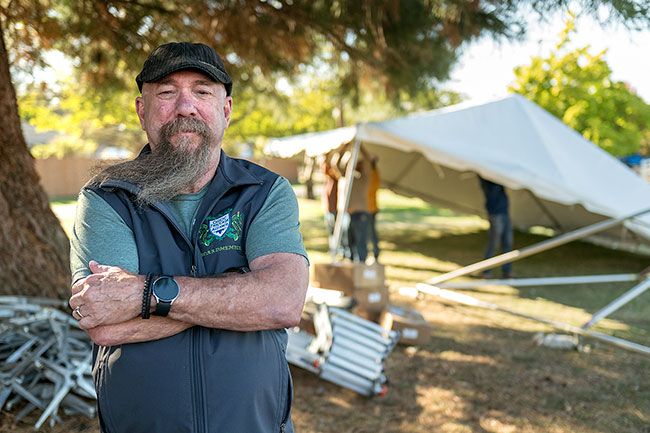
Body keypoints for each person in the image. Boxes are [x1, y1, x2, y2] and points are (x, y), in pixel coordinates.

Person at [68, 42, 309, 433]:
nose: (185, 107)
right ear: (141, 110)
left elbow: (283, 302)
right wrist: (239, 297)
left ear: (225, 110)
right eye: (166, 92)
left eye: (202, 91)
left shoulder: (263, 192)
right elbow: (105, 323)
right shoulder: (107, 198)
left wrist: (143, 295)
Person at [478, 176, 513, 278]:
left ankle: (507, 271)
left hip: (504, 212)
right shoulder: (487, 176)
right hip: (495, 213)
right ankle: (486, 271)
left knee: (508, 242)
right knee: (494, 242)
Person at [367, 156, 381, 262]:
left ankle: (375, 253)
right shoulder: (375, 174)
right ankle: (375, 253)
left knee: (371, 233)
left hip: (369, 208)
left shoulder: (372, 175)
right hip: (371, 208)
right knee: (371, 233)